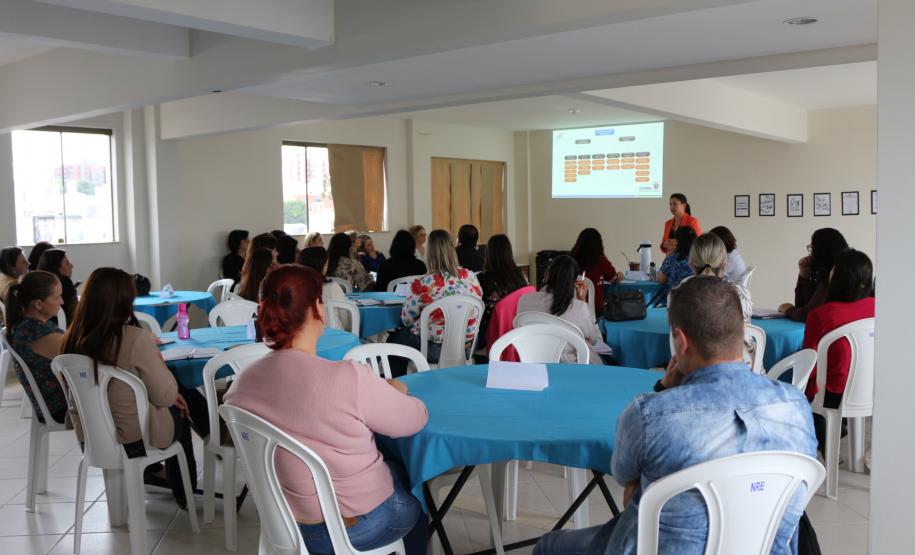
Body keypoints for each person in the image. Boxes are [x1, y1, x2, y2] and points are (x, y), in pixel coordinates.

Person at [533, 277, 817, 555]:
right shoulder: (796, 405)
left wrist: (662, 390)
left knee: (549, 545)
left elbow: (623, 476)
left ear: (681, 342)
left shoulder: (652, 414)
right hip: (764, 548)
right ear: (743, 331)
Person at [224, 265, 429, 554]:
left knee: (394, 468)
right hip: (348, 527)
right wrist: (396, 391)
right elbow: (414, 420)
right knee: (416, 499)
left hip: (280, 522)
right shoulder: (347, 378)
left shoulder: (242, 384)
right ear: (317, 309)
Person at [61, 267, 208, 509]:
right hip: (132, 440)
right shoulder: (133, 337)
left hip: (91, 437)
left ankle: (213, 434)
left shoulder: (72, 337)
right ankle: (186, 495)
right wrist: (159, 365)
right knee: (180, 405)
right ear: (125, 301)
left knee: (180, 396)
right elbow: (165, 396)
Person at [802, 249, 875, 452]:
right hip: (872, 388)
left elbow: (810, 363)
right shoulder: (879, 307)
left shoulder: (821, 315)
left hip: (834, 395)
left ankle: (823, 444)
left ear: (838, 277)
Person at [387, 229, 482, 375]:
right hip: (467, 346)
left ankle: (400, 385)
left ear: (430, 253)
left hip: (433, 349)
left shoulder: (422, 284)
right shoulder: (471, 277)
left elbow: (406, 320)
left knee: (392, 342)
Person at [3, 271, 67, 424]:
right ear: (38, 304)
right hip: (60, 408)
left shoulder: (33, 325)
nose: (62, 302)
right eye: (57, 297)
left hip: (61, 402)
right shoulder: (34, 333)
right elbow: (81, 353)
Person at [516, 255, 605, 365]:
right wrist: (582, 300)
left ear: (547, 275)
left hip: (533, 365)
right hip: (570, 368)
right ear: (574, 281)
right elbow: (594, 339)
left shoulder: (524, 300)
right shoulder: (578, 307)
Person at [779, 228, 848, 322]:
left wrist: (788, 309)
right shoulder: (828, 271)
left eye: (812, 247)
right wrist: (803, 275)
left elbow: (807, 315)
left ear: (821, 251)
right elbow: (803, 306)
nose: (811, 253)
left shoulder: (834, 275)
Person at [683, 234, 752, 321]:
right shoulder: (741, 295)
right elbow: (745, 326)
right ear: (725, 263)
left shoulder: (678, 294)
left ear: (691, 263)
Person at [477, 234, 527, 341]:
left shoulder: (482, 279)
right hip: (518, 330)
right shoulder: (521, 276)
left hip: (493, 333)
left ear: (489, 254)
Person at [570, 228, 619, 314]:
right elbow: (613, 278)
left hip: (571, 308)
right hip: (595, 310)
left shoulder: (570, 259)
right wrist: (619, 275)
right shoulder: (600, 261)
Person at [37, 248, 78, 326]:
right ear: (56, 268)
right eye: (67, 264)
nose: (71, 266)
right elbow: (75, 312)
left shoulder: (38, 283)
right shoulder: (64, 282)